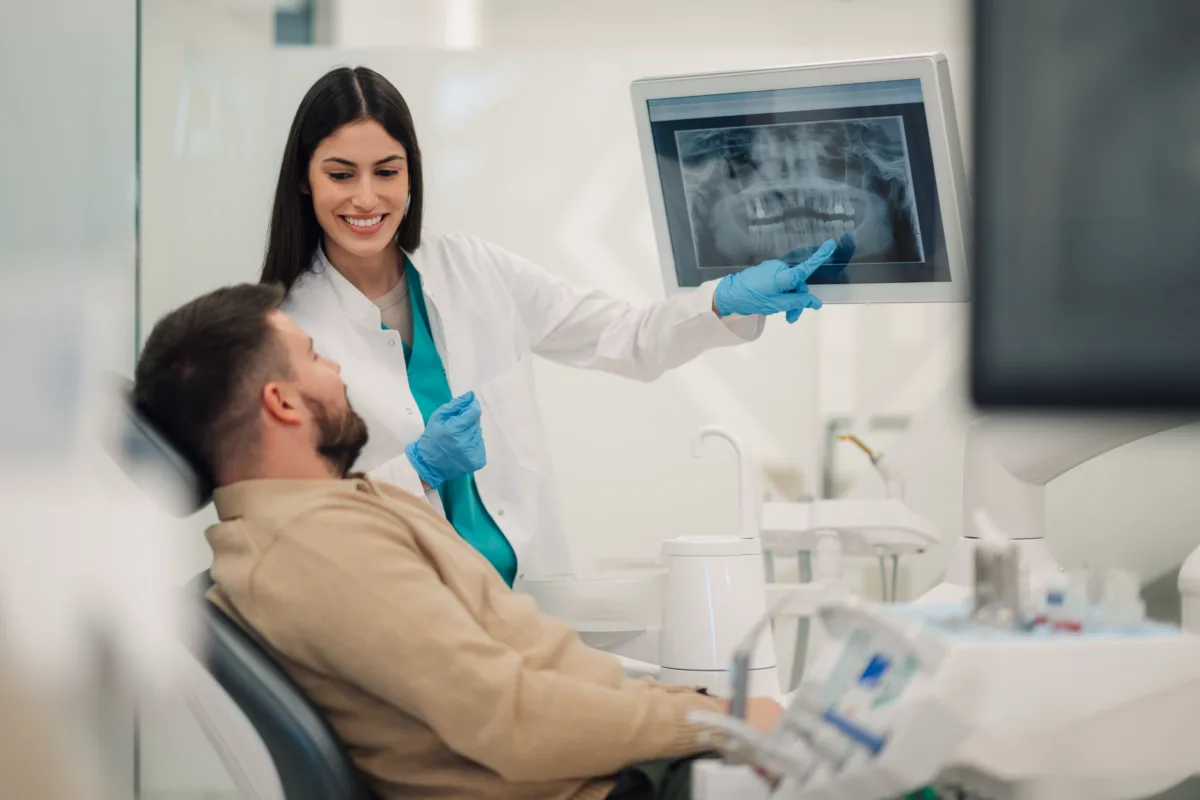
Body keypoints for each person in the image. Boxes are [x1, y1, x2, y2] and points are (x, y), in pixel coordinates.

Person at [132, 283, 784, 800]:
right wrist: (717, 720)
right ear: (282, 403)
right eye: (312, 355)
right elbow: (514, 719)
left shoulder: (321, 516)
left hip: (614, 764)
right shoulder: (316, 546)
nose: (333, 366)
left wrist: (709, 710)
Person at [261, 66, 854, 586]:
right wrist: (413, 472)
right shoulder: (286, 334)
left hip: (532, 599)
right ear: (304, 180)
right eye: (341, 175)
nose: (366, 198)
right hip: (411, 616)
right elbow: (299, 525)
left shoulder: (473, 269)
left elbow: (627, 337)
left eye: (386, 171)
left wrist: (725, 301)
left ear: (411, 176)